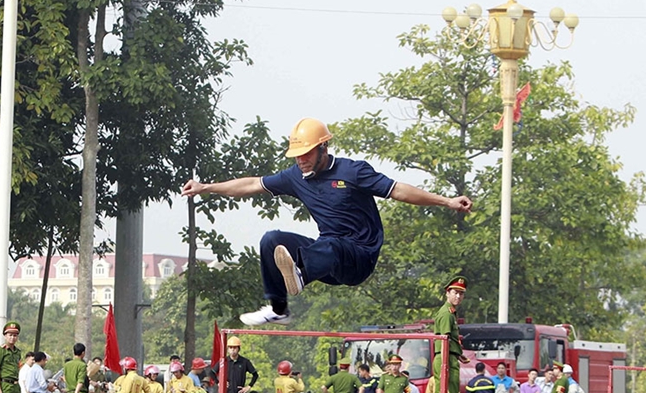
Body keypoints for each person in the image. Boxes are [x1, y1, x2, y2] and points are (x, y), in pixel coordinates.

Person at [181, 118, 473, 326]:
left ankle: (300, 274)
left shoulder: (353, 171)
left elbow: (398, 190)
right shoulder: (295, 176)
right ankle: (279, 308)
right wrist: (206, 187)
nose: (301, 162)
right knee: (271, 239)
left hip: (360, 258)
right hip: (328, 261)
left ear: (323, 148)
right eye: (297, 156)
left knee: (332, 244)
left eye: (307, 154)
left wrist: (446, 201)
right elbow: (251, 185)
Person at [427, 276, 472, 393]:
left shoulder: (449, 312)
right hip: (446, 358)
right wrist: (450, 359)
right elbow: (444, 339)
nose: (458, 297)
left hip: (446, 357)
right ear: (447, 293)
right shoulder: (447, 314)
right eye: (455, 293)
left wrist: (459, 355)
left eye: (461, 294)